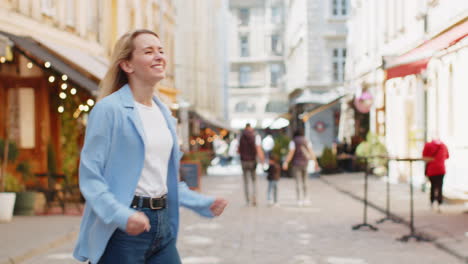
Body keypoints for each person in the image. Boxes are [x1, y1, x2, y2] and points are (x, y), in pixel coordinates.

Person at [73, 29, 227, 264]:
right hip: (124, 230)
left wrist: (202, 202)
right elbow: (91, 178)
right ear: (127, 65)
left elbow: (166, 181)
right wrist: (122, 216)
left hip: (162, 225)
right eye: (148, 51)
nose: (159, 56)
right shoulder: (109, 110)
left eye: (161, 51)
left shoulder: (164, 113)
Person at [282, 129, 319, 206]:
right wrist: (316, 162)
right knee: (305, 182)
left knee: (298, 182)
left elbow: (291, 153)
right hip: (305, 163)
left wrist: (286, 162)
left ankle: (299, 200)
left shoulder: (293, 142)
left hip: (296, 164)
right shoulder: (306, 141)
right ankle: (306, 199)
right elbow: (311, 152)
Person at [238, 123, 265, 206]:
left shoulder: (241, 136)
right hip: (253, 161)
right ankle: (254, 198)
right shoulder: (255, 136)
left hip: (243, 161)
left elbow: (238, 149)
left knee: (246, 181)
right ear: (251, 128)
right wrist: (262, 160)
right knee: (254, 181)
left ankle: (247, 200)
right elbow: (258, 148)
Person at [422, 138, 449, 212]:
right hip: (441, 169)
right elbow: (447, 156)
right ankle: (440, 204)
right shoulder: (443, 146)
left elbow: (424, 157)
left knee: (433, 186)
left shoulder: (428, 145)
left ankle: (432, 202)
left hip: (432, 170)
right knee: (440, 187)